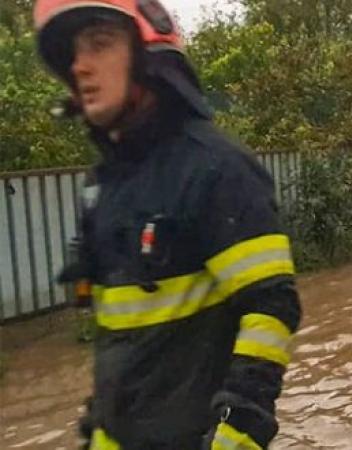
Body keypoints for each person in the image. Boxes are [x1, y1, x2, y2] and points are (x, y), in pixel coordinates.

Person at [36, 1, 303, 448]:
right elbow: (119, 346)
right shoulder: (103, 185)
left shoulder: (216, 170)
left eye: (99, 44)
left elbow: (272, 308)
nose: (80, 66)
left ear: (148, 56)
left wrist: (235, 436)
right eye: (72, 53)